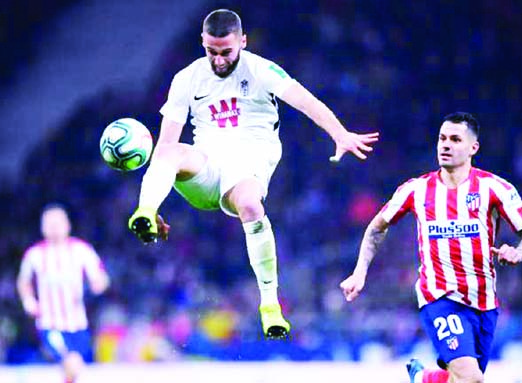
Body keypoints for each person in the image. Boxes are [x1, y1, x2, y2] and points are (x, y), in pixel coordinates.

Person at [127, 9, 379, 340]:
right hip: (207, 164)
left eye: (226, 52)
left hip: (249, 163)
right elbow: (165, 147)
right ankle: (143, 212)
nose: (218, 60)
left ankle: (270, 306)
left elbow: (306, 102)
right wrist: (156, 203)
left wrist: (340, 133)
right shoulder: (186, 79)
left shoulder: (262, 71)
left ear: (242, 42)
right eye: (211, 51)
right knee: (169, 152)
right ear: (203, 42)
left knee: (250, 206)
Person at [340, 112, 522, 383]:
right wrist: (360, 272)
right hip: (440, 298)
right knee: (471, 378)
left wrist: (518, 252)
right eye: (442, 138)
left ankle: (423, 378)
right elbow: (377, 226)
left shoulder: (495, 188)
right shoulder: (416, 190)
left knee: (459, 379)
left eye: (455, 139)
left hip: (484, 303)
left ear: (474, 148)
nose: (445, 145)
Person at [17, 204, 110, 383]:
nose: (54, 227)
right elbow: (23, 281)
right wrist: (28, 300)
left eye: (57, 223)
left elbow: (100, 276)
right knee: (71, 362)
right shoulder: (35, 255)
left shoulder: (82, 250)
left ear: (67, 225)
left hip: (78, 324)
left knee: (74, 370)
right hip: (50, 324)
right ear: (42, 227)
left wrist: (99, 284)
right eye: (49, 223)